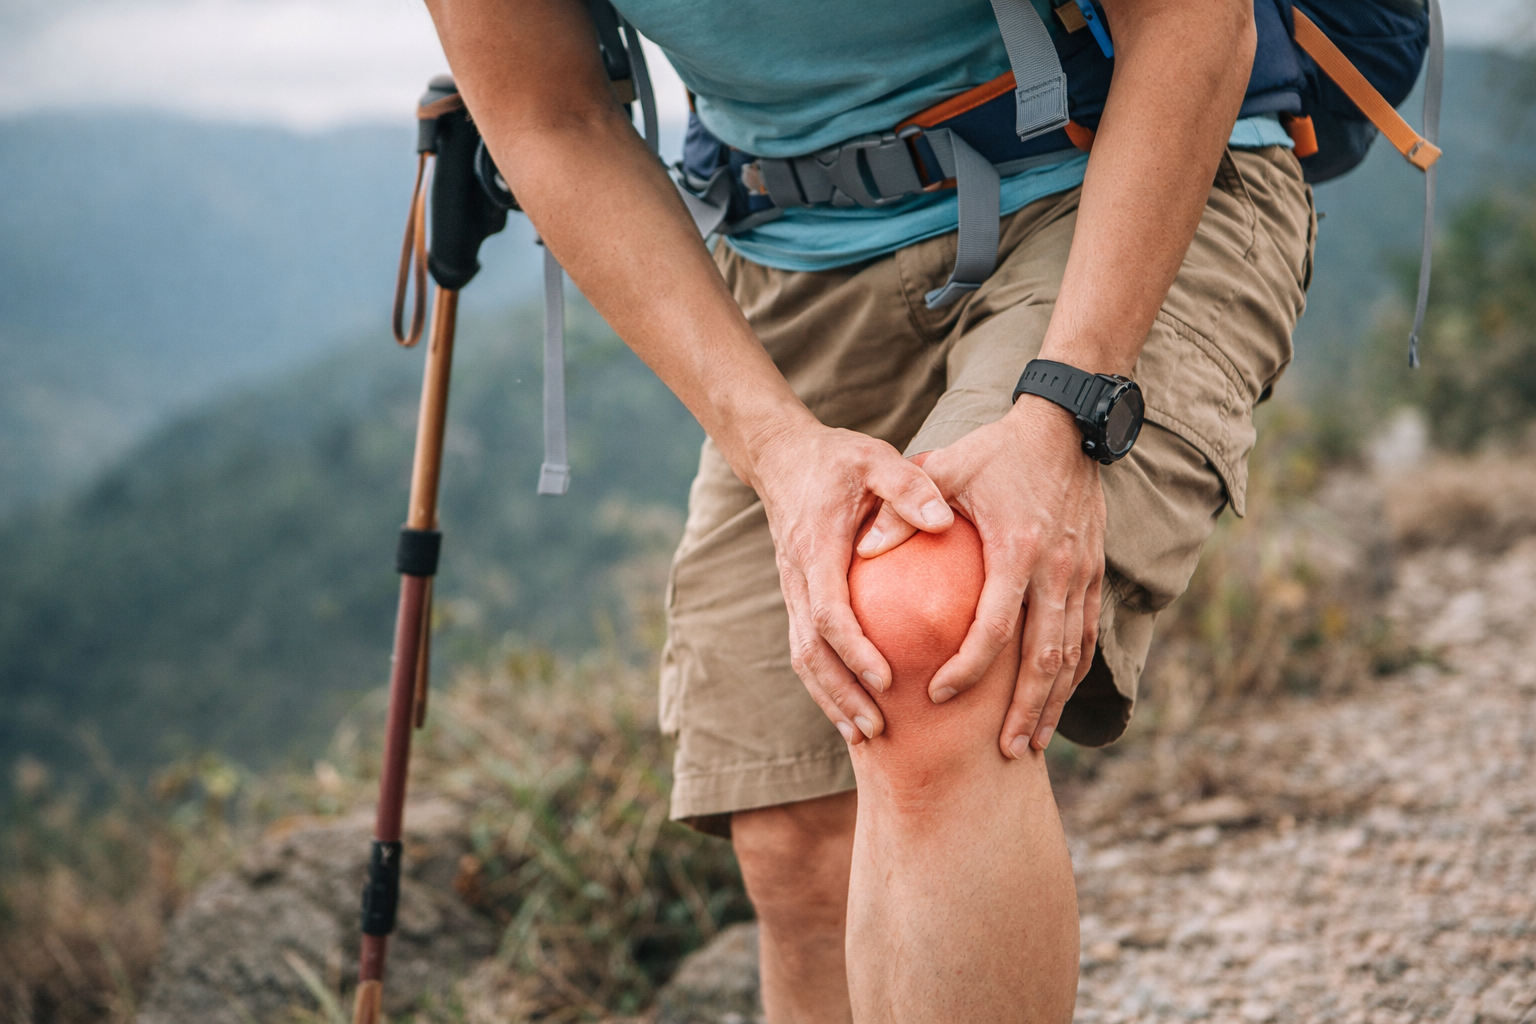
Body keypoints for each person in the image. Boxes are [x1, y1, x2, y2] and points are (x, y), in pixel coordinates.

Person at [423, 0, 1311, 1020]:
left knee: (929, 624)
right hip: (794, 247)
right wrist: (780, 452)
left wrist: (1067, 408)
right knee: (800, 837)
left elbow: (1192, 21)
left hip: (1113, 172)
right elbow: (549, 118)